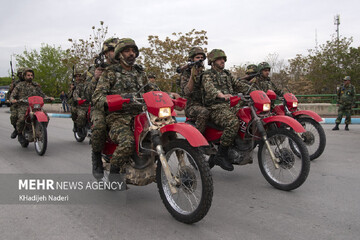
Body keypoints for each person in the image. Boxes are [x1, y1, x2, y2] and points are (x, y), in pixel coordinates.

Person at [92, 38, 154, 181]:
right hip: (118, 116)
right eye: (127, 51)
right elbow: (97, 97)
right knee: (128, 143)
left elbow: (151, 90)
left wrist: (168, 95)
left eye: (133, 51)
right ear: (119, 54)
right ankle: (114, 172)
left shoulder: (140, 73)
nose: (131, 54)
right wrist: (117, 99)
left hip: (140, 114)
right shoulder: (110, 72)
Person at [201, 49, 252, 171]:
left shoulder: (227, 74)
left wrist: (254, 90)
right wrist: (220, 95)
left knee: (247, 116)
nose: (222, 61)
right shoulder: (207, 75)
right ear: (212, 61)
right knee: (233, 123)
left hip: (231, 105)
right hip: (215, 107)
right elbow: (210, 88)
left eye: (223, 58)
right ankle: (221, 155)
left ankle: (240, 147)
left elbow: (240, 85)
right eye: (219, 59)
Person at [87, 38, 120, 180]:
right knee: (99, 127)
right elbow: (87, 94)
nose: (116, 52)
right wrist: (95, 78)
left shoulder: (127, 67)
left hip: (124, 106)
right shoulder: (96, 69)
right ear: (106, 53)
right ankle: (96, 157)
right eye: (113, 49)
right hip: (101, 107)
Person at [9, 68, 54, 144]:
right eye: (28, 75)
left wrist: (49, 98)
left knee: (46, 117)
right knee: (21, 119)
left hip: (35, 106)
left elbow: (42, 95)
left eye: (31, 75)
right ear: (24, 76)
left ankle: (41, 129)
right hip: (23, 105)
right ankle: (19, 133)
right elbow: (12, 95)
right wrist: (13, 100)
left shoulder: (35, 85)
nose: (30, 77)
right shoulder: (19, 85)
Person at [179, 47, 209, 133]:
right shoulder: (186, 74)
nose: (200, 60)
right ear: (192, 59)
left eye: (201, 58)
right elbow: (187, 92)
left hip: (205, 103)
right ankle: (198, 139)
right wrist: (193, 76)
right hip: (191, 106)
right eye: (197, 57)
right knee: (204, 112)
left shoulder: (205, 73)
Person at [8, 67, 25, 138]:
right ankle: (17, 131)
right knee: (14, 117)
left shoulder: (30, 82)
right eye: (20, 74)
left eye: (23, 73)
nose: (21, 75)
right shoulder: (16, 84)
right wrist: (10, 100)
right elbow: (10, 94)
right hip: (17, 104)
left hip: (27, 103)